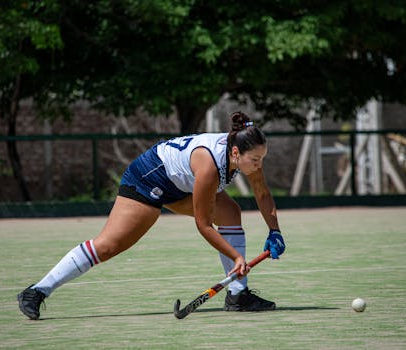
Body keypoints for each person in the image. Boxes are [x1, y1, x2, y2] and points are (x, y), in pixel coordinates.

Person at [17, 111, 286, 320]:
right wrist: (238, 256)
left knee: (230, 213)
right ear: (236, 153)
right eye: (256, 160)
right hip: (147, 181)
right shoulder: (209, 166)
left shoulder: (246, 154)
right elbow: (203, 225)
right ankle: (37, 291)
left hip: (179, 184)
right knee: (110, 245)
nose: (258, 165)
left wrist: (274, 230)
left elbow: (262, 194)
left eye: (262, 158)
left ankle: (238, 295)